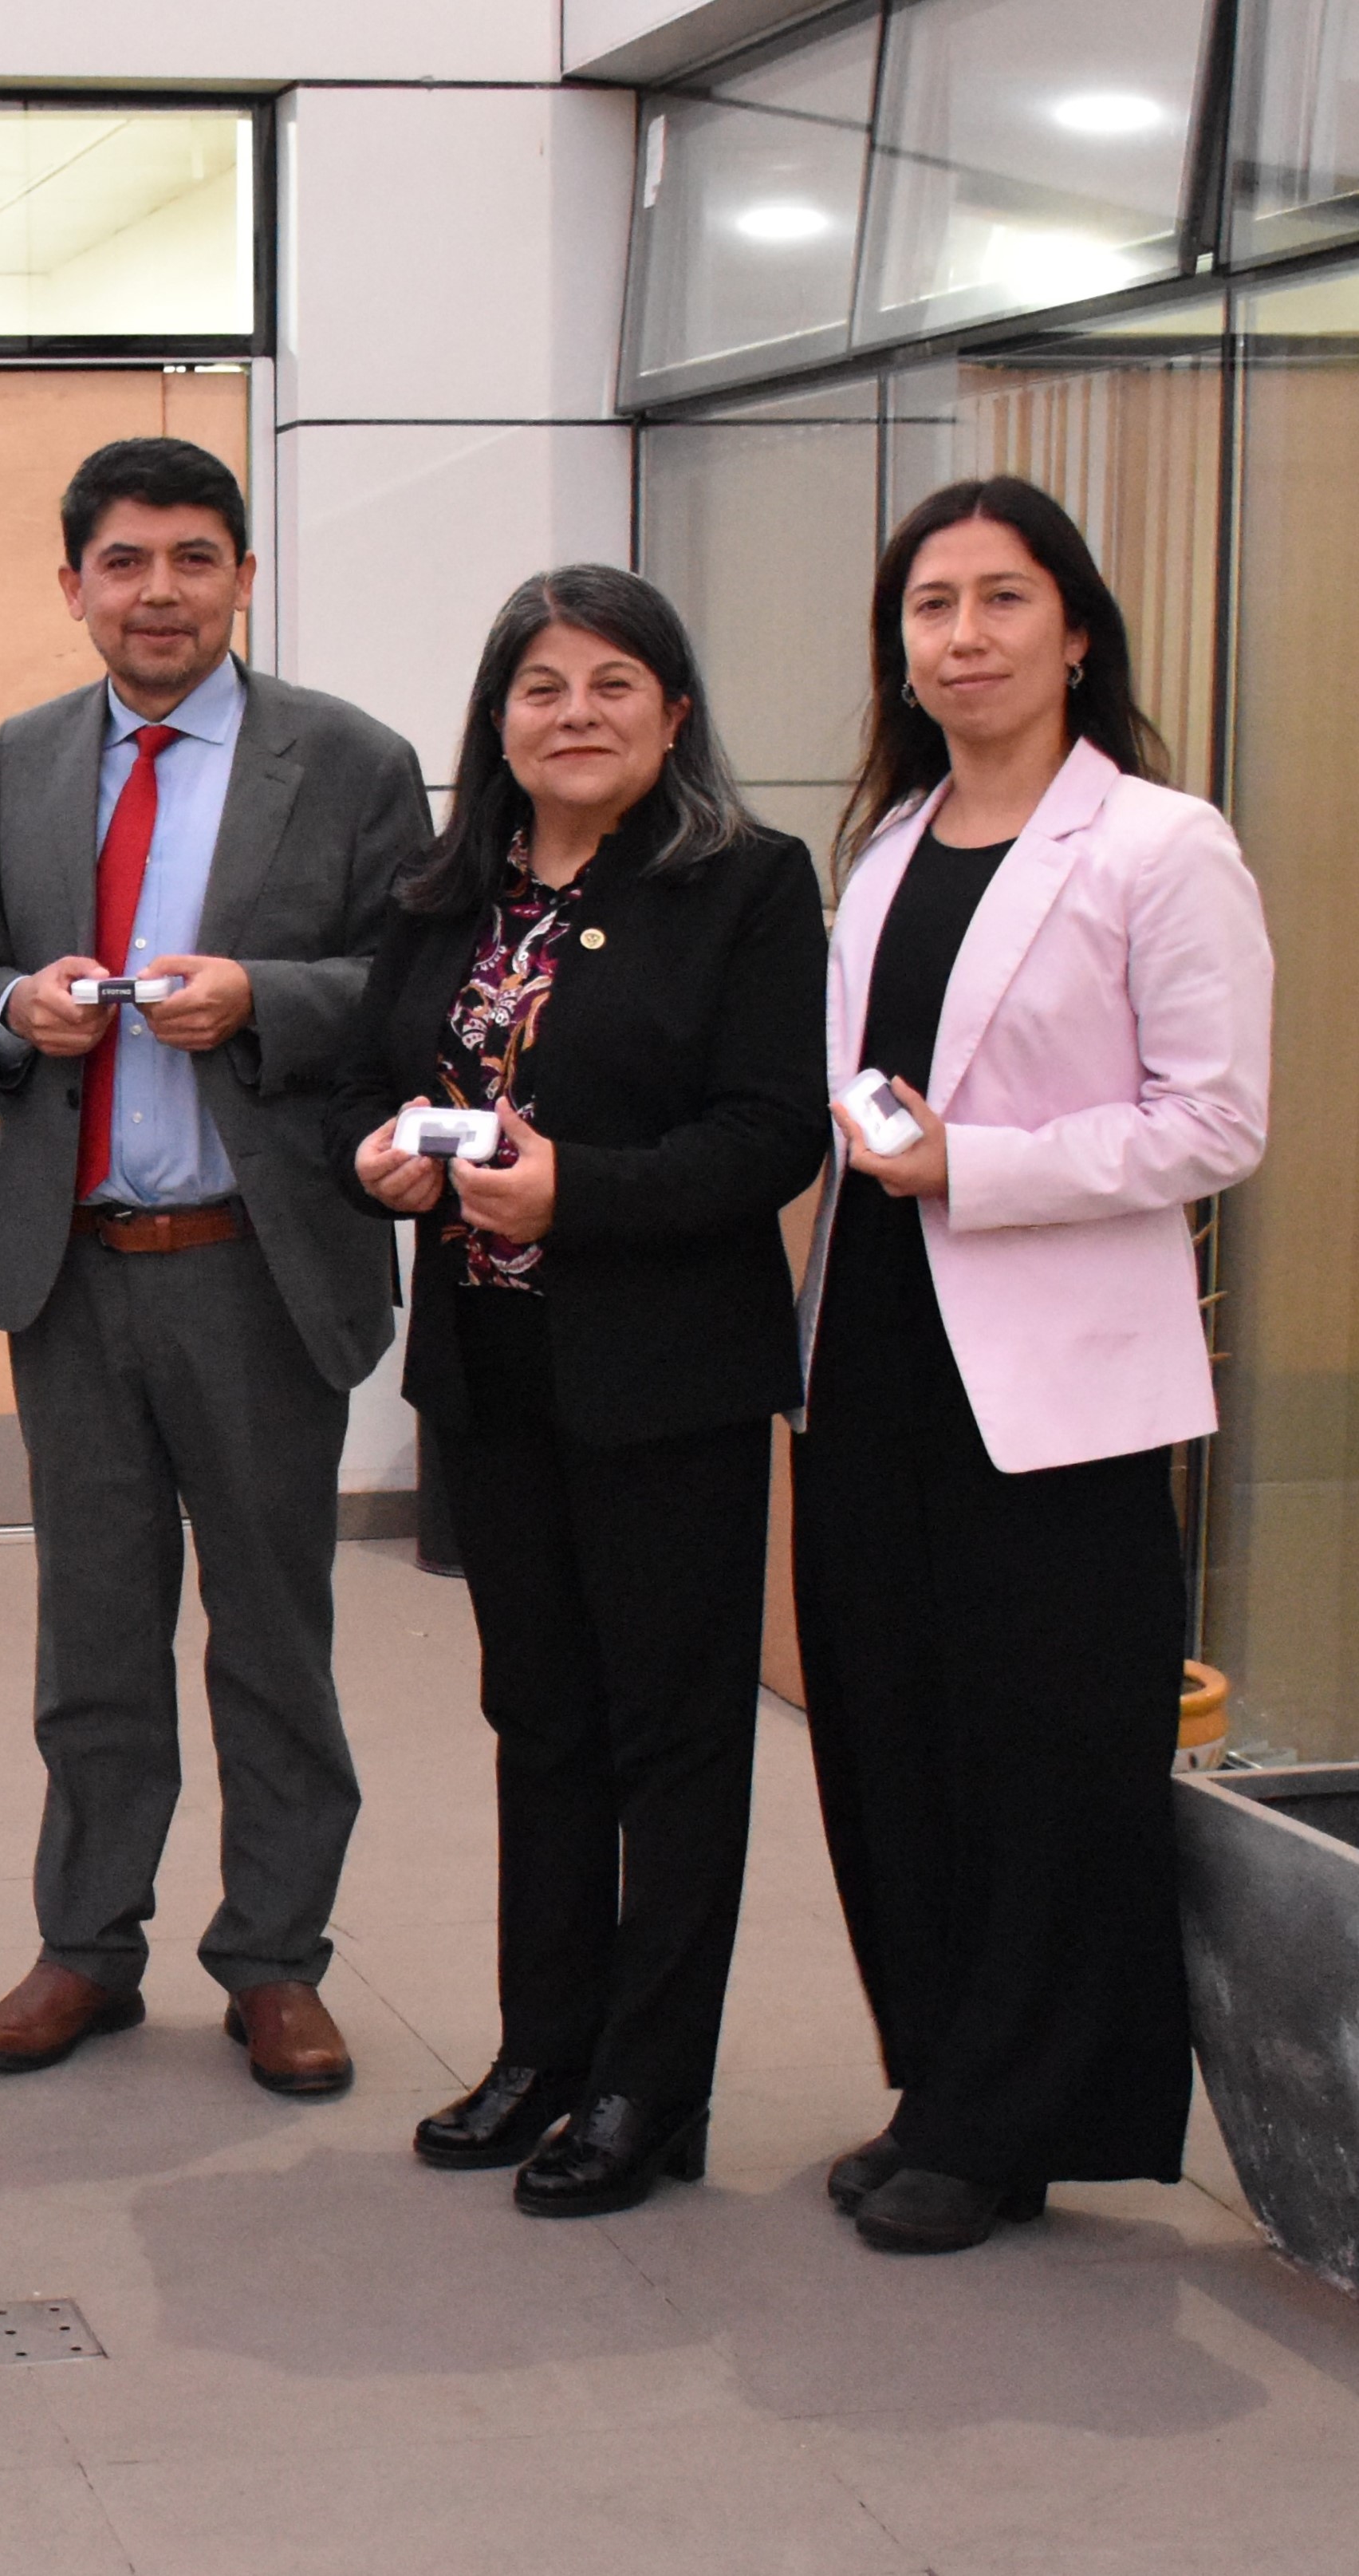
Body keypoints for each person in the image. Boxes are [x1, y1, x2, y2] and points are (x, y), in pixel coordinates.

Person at [794, 476, 1270, 2254]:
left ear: (1075, 631)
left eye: (1002, 600)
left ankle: (1008, 2117)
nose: (964, 636)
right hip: (875, 1353)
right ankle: (938, 2083)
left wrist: (971, 1170)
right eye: (931, 606)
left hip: (1054, 1379)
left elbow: (1214, 1121)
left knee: (1044, 1752)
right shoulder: (888, 849)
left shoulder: (1156, 842)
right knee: (890, 1733)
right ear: (897, 648)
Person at [332, 566, 825, 2214]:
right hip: (490, 1364)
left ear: (672, 712)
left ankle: (645, 2087)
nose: (574, 715)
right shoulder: (437, 893)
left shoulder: (744, 886)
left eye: (613, 683)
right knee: (535, 1719)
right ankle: (540, 2047)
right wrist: (384, 1159)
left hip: (662, 1373)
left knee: (669, 1734)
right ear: (496, 723)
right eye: (540, 688)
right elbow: (390, 1083)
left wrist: (577, 1194)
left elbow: (769, 1133)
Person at [0, 436, 427, 2097]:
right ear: (71, 581)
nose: (158, 590)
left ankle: (273, 1958)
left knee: (269, 1635)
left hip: (254, 1262)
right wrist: (15, 1012)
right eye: (124, 560)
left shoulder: (350, 761)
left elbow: (408, 987)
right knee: (89, 1633)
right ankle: (83, 1944)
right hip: (72, 1270)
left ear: (239, 575)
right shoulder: (20, 759)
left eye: (192, 558)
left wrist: (268, 1001)